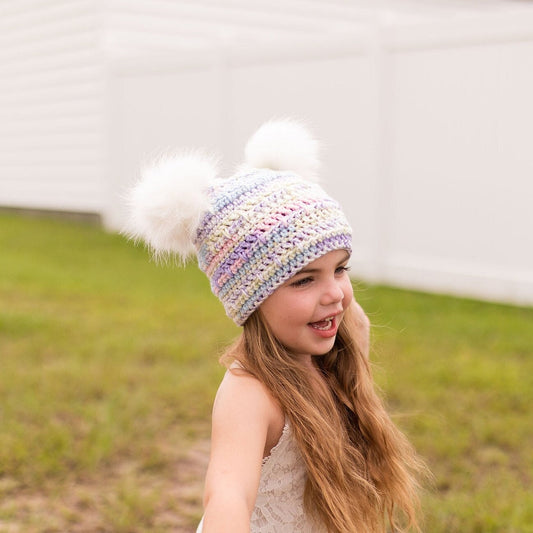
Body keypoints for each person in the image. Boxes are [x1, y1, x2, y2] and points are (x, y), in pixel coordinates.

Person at [125, 119, 426, 533]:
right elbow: (227, 493)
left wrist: (337, 299)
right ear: (251, 299)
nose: (334, 293)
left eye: (340, 269)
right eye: (305, 279)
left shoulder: (335, 349)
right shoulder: (251, 392)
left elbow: (353, 319)